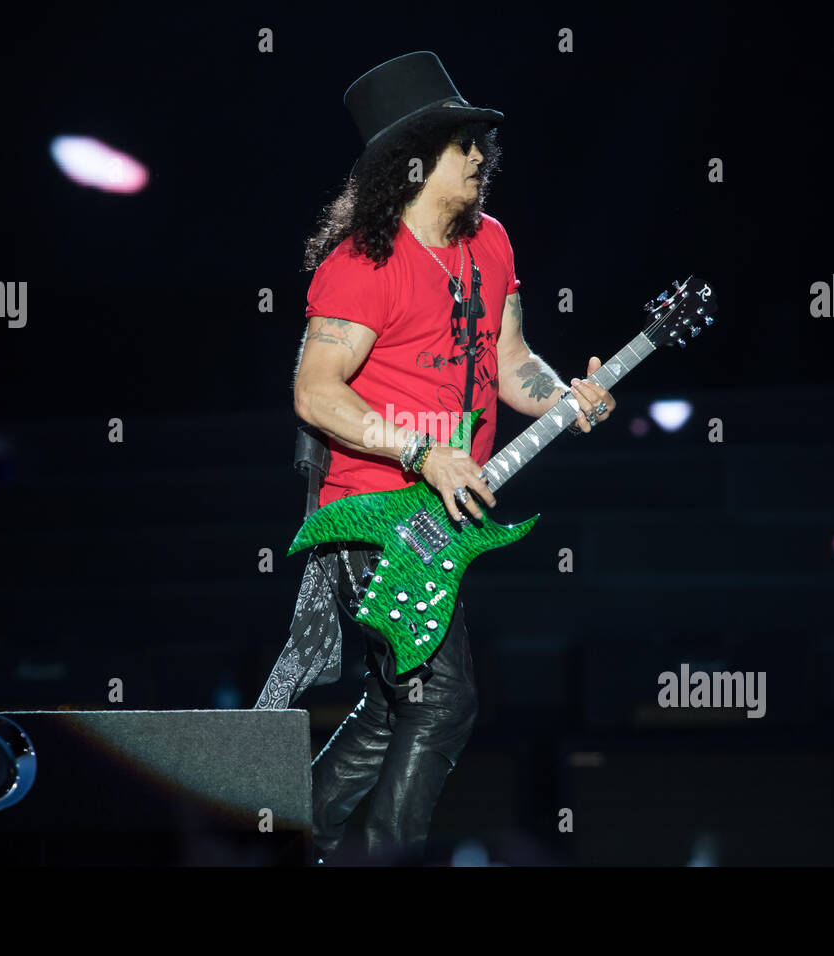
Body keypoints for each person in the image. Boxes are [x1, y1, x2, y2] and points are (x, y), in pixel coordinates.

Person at [253, 51, 615, 864]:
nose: (483, 158)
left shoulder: (491, 244)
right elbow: (316, 393)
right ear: (409, 162)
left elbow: (512, 359)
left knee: (393, 711)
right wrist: (424, 452)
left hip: (441, 519)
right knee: (444, 702)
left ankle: (292, 845)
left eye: (481, 142)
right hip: (369, 513)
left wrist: (565, 396)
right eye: (463, 145)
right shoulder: (360, 265)